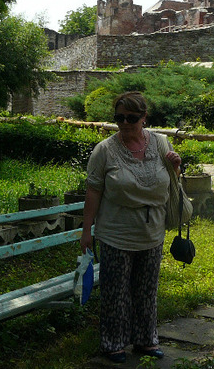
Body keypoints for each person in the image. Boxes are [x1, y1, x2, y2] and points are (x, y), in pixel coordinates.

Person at [80, 91, 181, 364]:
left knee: (147, 291)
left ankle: (146, 341)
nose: (124, 123)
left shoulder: (161, 143)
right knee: (115, 292)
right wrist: (86, 231)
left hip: (151, 230)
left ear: (144, 118)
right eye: (119, 118)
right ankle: (113, 343)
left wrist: (176, 167)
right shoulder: (105, 150)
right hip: (116, 232)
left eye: (131, 118)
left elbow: (170, 183)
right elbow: (93, 191)